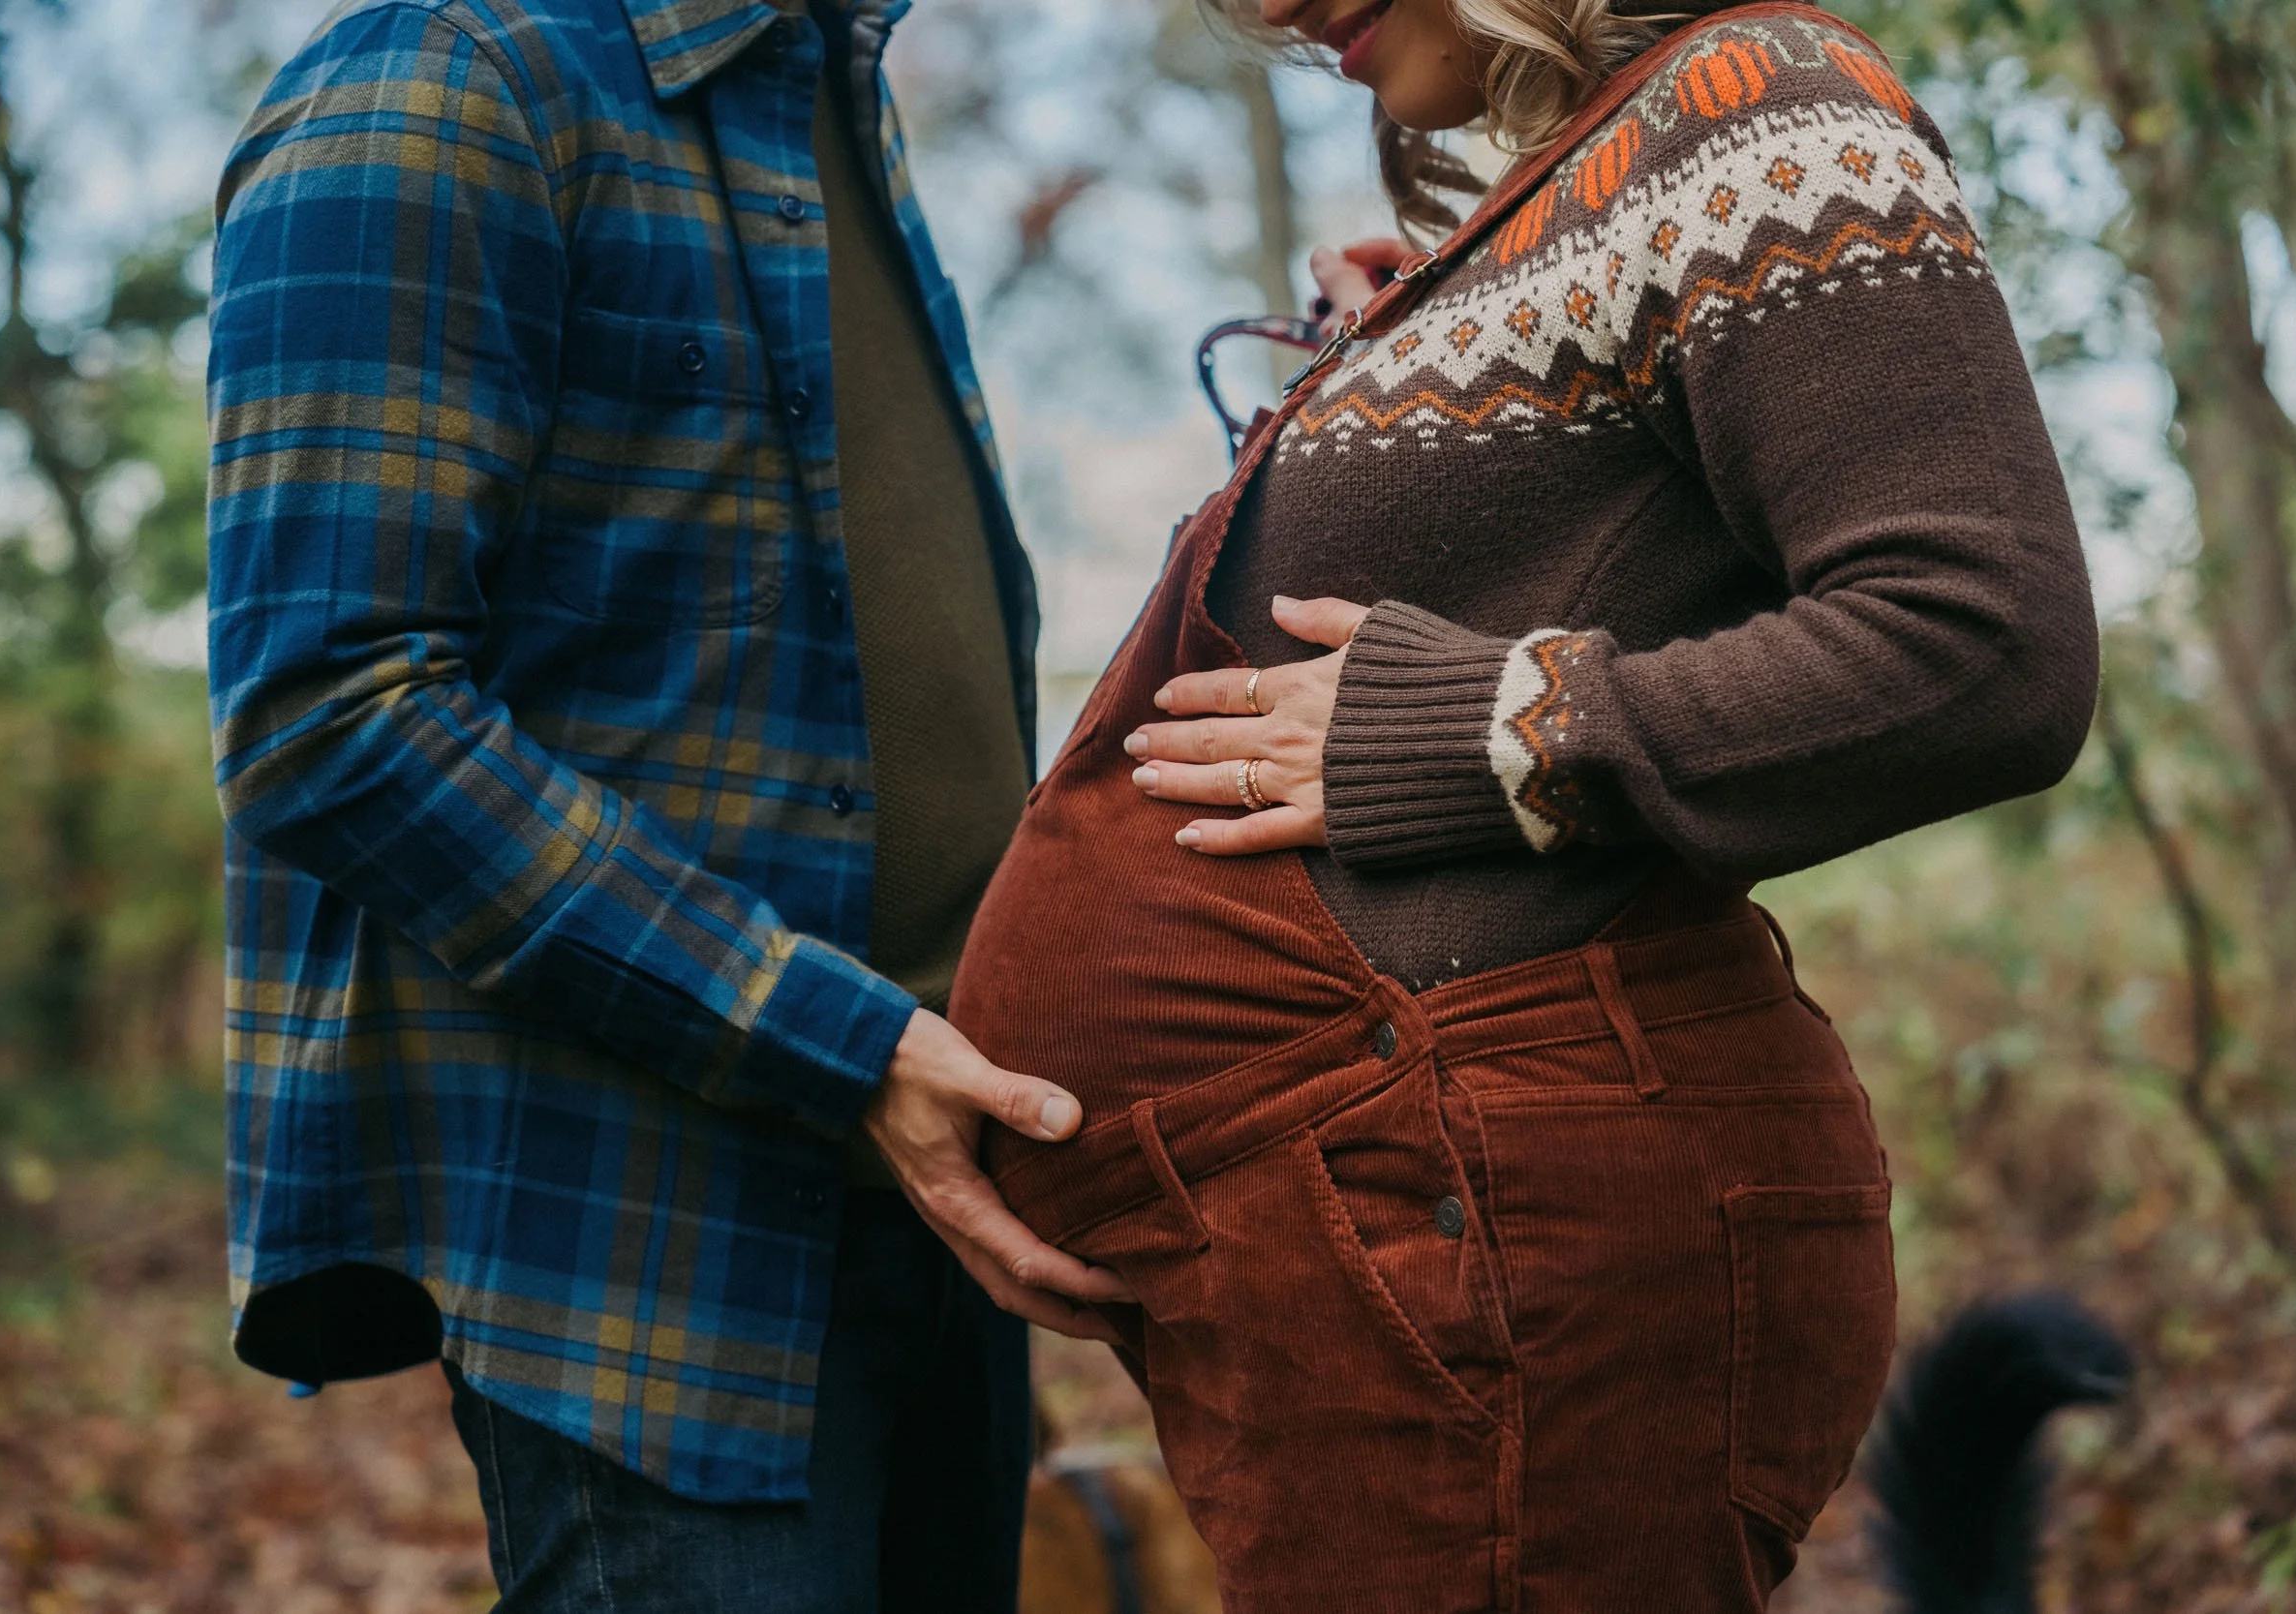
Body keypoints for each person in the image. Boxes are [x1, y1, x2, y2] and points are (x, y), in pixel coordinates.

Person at [947, 0, 2099, 1609]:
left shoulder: (1758, 98)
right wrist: (1416, 342)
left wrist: (1490, 726)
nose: (1273, 10)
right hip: (1399, 1244)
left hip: (1493, 1229)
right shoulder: (1589, 170)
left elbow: (1986, 643)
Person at [204, 0, 1129, 1606]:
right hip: (664, 1256)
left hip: (941, 1210)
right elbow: (330, 711)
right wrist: (840, 1044)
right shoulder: (445, 84)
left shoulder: (831, 103)